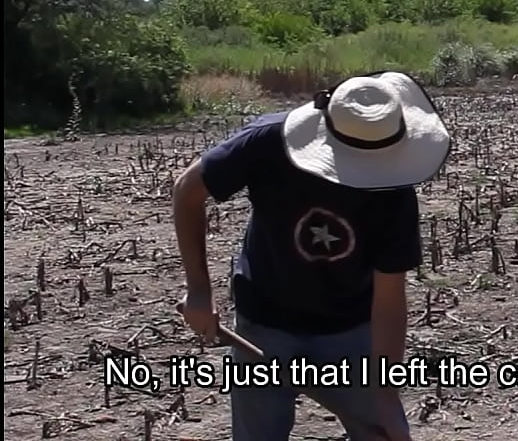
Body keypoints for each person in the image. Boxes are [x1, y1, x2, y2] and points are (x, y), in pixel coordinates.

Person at [171, 70, 452, 441]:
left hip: (352, 330)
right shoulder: (267, 143)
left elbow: (388, 300)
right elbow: (188, 190)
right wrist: (198, 290)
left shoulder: (394, 193)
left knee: (381, 433)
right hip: (265, 321)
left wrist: (384, 392)